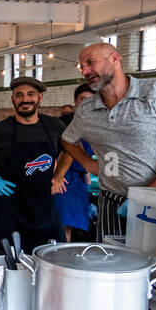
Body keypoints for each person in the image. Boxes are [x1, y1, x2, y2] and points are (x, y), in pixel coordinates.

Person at [58, 42, 156, 239]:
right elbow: (67, 140)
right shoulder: (87, 109)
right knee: (109, 262)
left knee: (154, 261)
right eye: (82, 67)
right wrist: (89, 164)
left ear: (115, 58)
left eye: (90, 63)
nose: (86, 71)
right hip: (111, 201)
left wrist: (149, 192)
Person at [0, 76, 71, 252]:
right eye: (19, 95)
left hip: (45, 210)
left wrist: (59, 176)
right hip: (11, 210)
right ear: (13, 99)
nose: (25, 99)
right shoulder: (0, 130)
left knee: (52, 261)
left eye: (30, 94)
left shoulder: (54, 125)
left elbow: (72, 149)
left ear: (40, 98)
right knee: (13, 265)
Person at [52, 84, 95, 241]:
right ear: (76, 101)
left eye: (90, 100)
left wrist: (88, 176)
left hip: (79, 180)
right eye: (82, 99)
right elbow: (53, 149)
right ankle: (57, 257)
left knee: (70, 225)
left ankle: (63, 255)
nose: (85, 103)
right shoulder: (65, 121)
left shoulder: (96, 124)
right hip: (65, 177)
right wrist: (57, 175)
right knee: (62, 223)